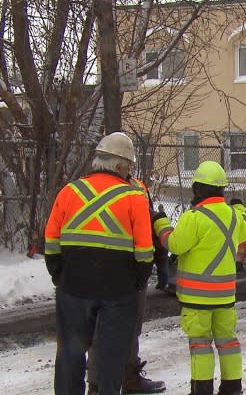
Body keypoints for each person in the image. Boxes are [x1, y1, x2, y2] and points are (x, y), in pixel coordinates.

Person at [44, 132, 154, 395]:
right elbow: (144, 252)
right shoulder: (133, 197)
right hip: (118, 290)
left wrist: (60, 275)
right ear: (120, 166)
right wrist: (137, 283)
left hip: (73, 286)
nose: (130, 172)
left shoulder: (69, 191)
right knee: (110, 357)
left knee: (70, 352)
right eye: (129, 167)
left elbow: (51, 241)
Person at [152, 160, 246, 395]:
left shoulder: (194, 217)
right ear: (221, 190)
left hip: (197, 300)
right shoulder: (233, 216)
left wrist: (161, 223)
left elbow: (174, 245)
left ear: (197, 189)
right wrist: (239, 209)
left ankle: (202, 389)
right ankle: (232, 388)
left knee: (200, 345)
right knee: (228, 342)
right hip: (226, 297)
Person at [86, 175, 167, 395]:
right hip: (118, 269)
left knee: (126, 327)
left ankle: (123, 378)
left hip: (120, 268)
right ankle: (99, 383)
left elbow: (148, 225)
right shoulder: (124, 188)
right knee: (105, 328)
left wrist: (160, 261)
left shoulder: (134, 186)